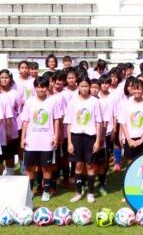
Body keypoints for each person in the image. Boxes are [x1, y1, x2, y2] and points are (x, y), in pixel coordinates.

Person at [20, 77, 63, 202]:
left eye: (43, 86)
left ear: (47, 87)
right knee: (29, 167)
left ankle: (46, 191)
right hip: (31, 140)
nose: (41, 89)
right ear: (35, 88)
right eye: (38, 86)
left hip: (47, 141)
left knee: (46, 167)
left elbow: (56, 120)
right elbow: (25, 121)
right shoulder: (29, 102)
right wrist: (23, 138)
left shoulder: (53, 101)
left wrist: (56, 136)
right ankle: (29, 192)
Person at [65, 73, 104, 203]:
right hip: (76, 137)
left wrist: (98, 140)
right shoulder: (72, 102)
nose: (84, 88)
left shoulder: (95, 101)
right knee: (78, 165)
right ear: (78, 86)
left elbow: (99, 122)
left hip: (90, 137)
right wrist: (70, 142)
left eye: (86, 86)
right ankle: (78, 192)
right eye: (81, 86)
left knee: (90, 165)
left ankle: (91, 192)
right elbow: (69, 123)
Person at [118, 78, 143, 163]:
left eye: (139, 89)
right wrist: (128, 139)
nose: (137, 91)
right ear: (131, 90)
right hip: (130, 138)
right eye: (134, 89)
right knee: (130, 163)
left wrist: (141, 140)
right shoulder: (125, 104)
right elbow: (122, 122)